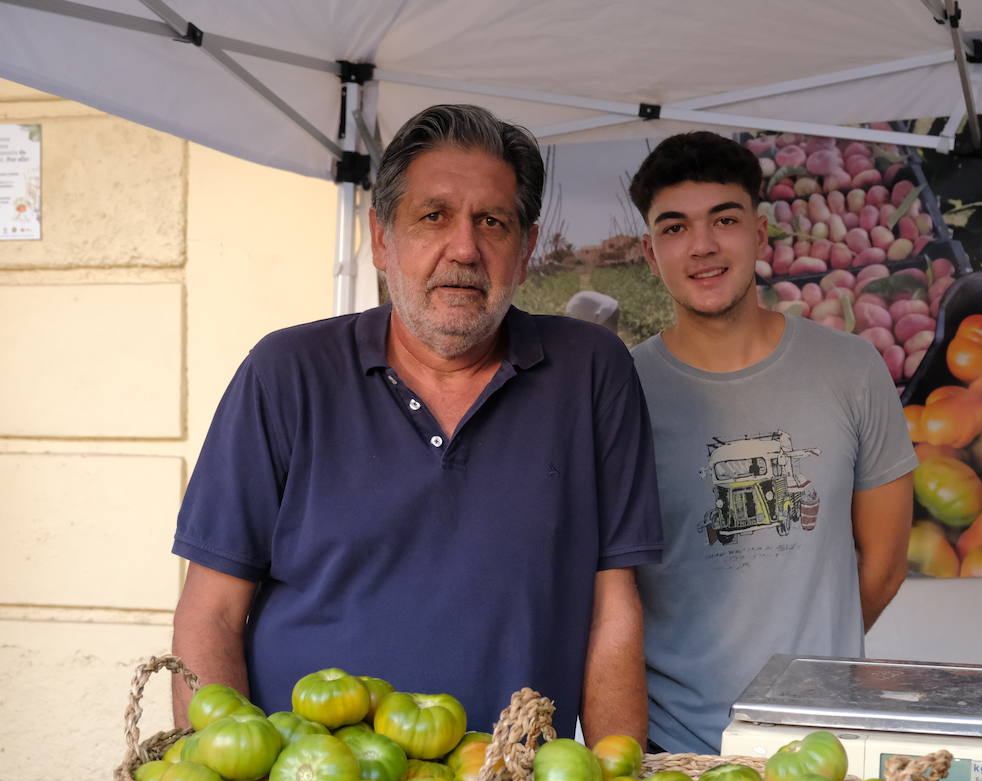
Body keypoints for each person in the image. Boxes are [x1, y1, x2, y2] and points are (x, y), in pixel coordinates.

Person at [169, 104, 661, 745]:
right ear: (381, 238)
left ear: (526, 249)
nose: (464, 248)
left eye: (493, 221)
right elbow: (210, 611)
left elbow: (613, 609)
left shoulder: (590, 371)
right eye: (433, 216)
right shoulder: (287, 373)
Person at [627, 131, 916, 755]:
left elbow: (886, 563)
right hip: (674, 755)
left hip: (825, 747)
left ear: (760, 234)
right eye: (674, 229)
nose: (702, 246)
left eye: (723, 220)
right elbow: (609, 588)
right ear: (650, 256)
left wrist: (811, 677)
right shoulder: (621, 392)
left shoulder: (851, 370)